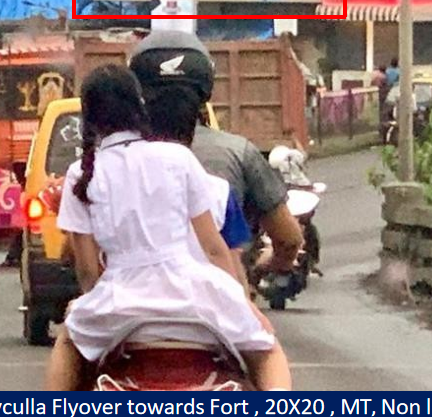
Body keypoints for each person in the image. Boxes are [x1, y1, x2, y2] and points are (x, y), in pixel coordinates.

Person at [46, 65, 292, 391]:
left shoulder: (81, 174)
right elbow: (214, 248)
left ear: (87, 116)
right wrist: (242, 302)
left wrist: (92, 307)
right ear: (138, 105)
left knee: (66, 342)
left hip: (120, 297)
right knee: (269, 351)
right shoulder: (177, 157)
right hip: (193, 293)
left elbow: (89, 272)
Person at [128, 31, 303, 275]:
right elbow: (288, 238)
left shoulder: (113, 164)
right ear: (206, 90)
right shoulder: (234, 160)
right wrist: (266, 268)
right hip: (218, 302)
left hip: (133, 303)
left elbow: (78, 253)